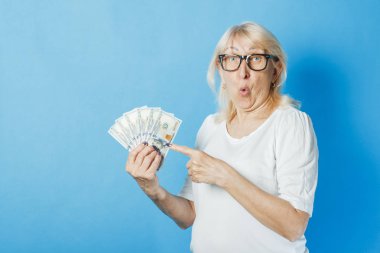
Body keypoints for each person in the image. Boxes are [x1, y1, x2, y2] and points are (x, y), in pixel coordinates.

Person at [125, 21, 318, 253]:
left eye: (255, 59)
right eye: (232, 59)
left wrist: (225, 175)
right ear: (221, 70)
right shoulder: (211, 127)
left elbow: (294, 225)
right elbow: (190, 215)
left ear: (274, 70)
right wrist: (153, 190)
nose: (242, 72)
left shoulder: (290, 123)